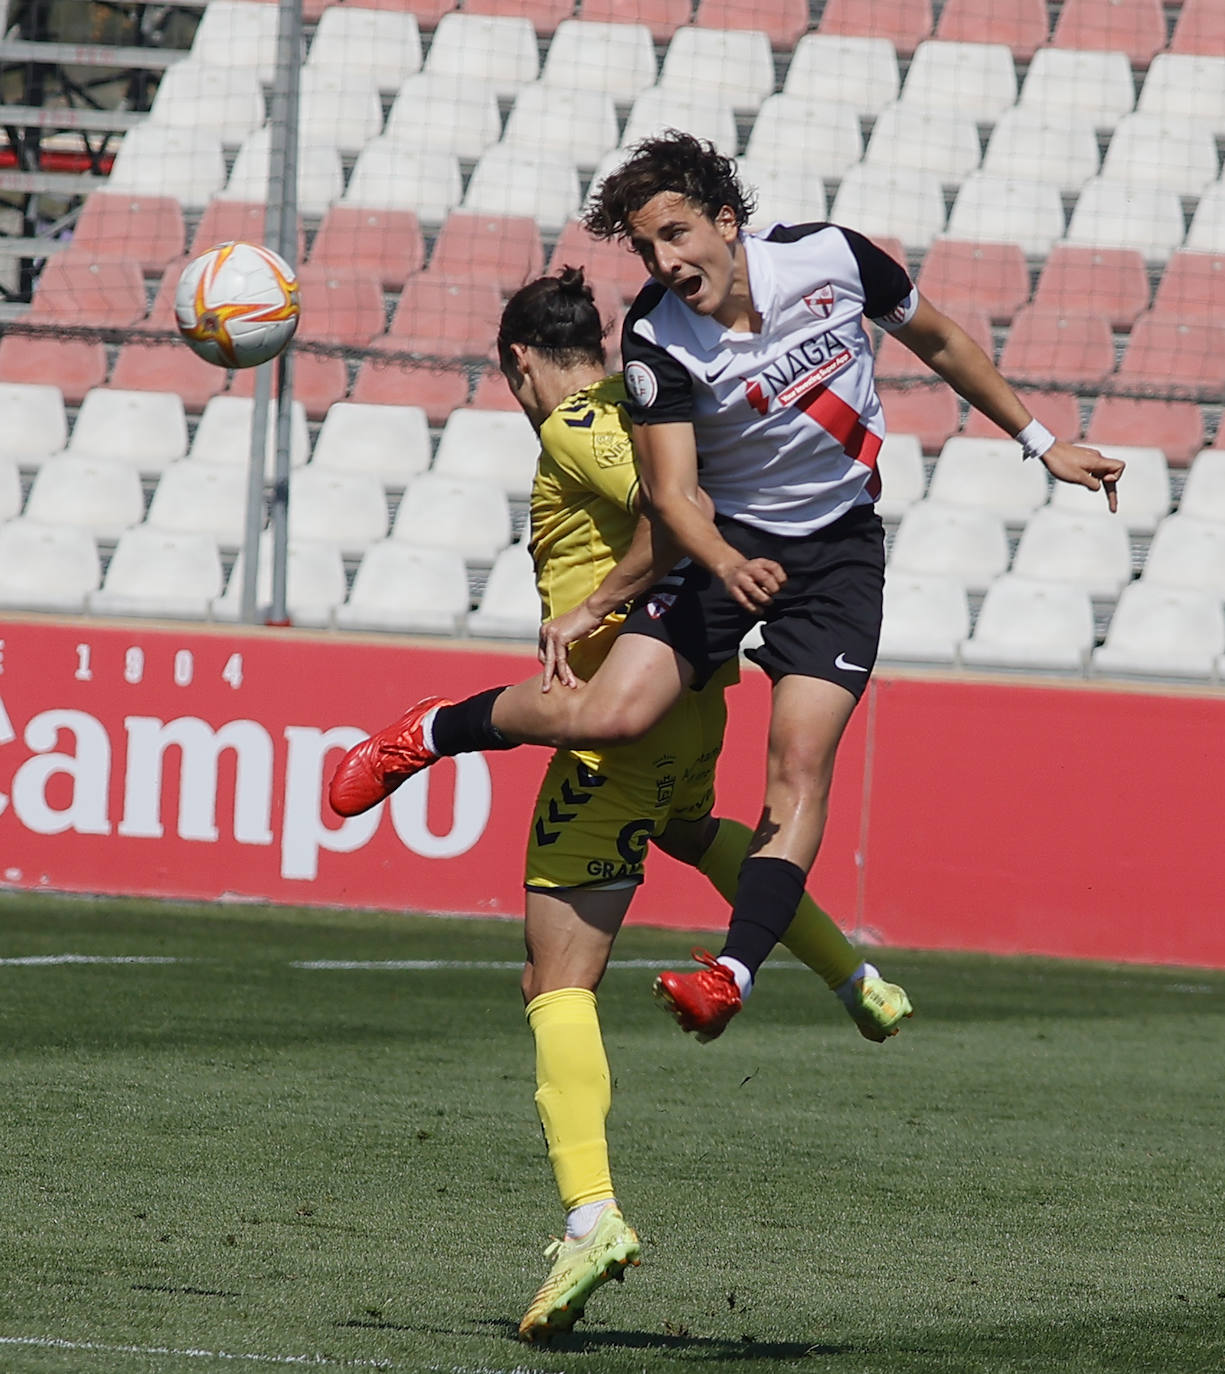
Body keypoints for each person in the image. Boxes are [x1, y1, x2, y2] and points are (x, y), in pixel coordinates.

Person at [329, 130, 1121, 1043]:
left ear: (727, 221)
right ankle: (430, 731)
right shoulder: (655, 337)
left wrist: (1040, 443)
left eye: (676, 235)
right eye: (645, 248)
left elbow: (938, 339)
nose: (665, 261)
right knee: (609, 716)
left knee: (797, 767)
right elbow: (669, 494)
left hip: (837, 554)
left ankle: (731, 974)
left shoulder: (832, 257)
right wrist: (719, 562)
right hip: (725, 540)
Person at [335, 267, 912, 1342]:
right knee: (694, 832)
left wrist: (603, 599)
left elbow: (665, 503)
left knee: (554, 979)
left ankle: (590, 1215)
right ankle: (856, 978)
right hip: (695, 705)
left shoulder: (579, 424)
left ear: (518, 362)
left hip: (626, 722)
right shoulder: (643, 405)